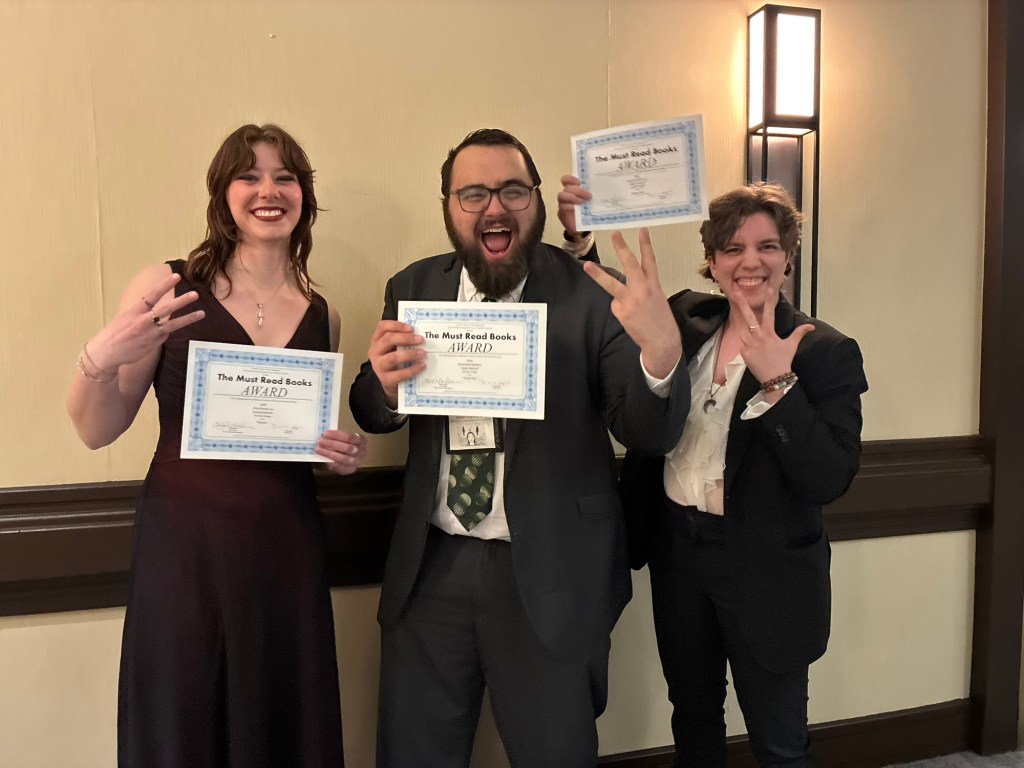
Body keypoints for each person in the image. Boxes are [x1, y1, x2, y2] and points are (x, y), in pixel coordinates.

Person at [348, 128, 689, 767]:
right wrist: (386, 389)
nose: (494, 208)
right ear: (448, 206)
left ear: (536, 200)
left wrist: (662, 355)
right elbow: (371, 407)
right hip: (432, 568)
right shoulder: (412, 286)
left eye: (512, 190)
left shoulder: (593, 290)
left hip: (552, 574)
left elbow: (648, 433)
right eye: (473, 194)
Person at [67, 123, 366, 768]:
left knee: (281, 718)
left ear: (305, 196)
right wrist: (99, 359)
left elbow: (297, 441)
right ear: (222, 194)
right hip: (186, 549)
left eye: (285, 177)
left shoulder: (324, 315)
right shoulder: (167, 288)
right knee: (184, 714)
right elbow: (96, 430)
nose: (269, 191)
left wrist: (337, 453)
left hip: (285, 549)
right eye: (249, 176)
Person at [563, 178, 868, 767]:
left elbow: (829, 478)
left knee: (779, 739)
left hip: (765, 563)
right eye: (732, 248)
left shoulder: (823, 350)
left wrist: (779, 386)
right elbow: (626, 305)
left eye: (767, 246)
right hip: (677, 549)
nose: (750, 261)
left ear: (788, 255)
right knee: (693, 716)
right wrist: (582, 241)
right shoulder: (688, 318)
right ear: (712, 260)